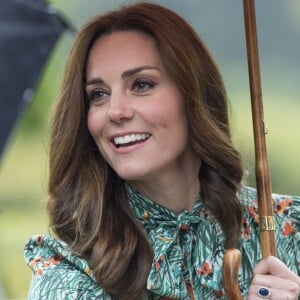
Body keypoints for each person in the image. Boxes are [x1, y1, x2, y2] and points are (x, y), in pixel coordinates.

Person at [24, 2, 300, 299]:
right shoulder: (68, 271)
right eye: (99, 94)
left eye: (141, 85)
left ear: (193, 95)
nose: (115, 111)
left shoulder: (289, 229)